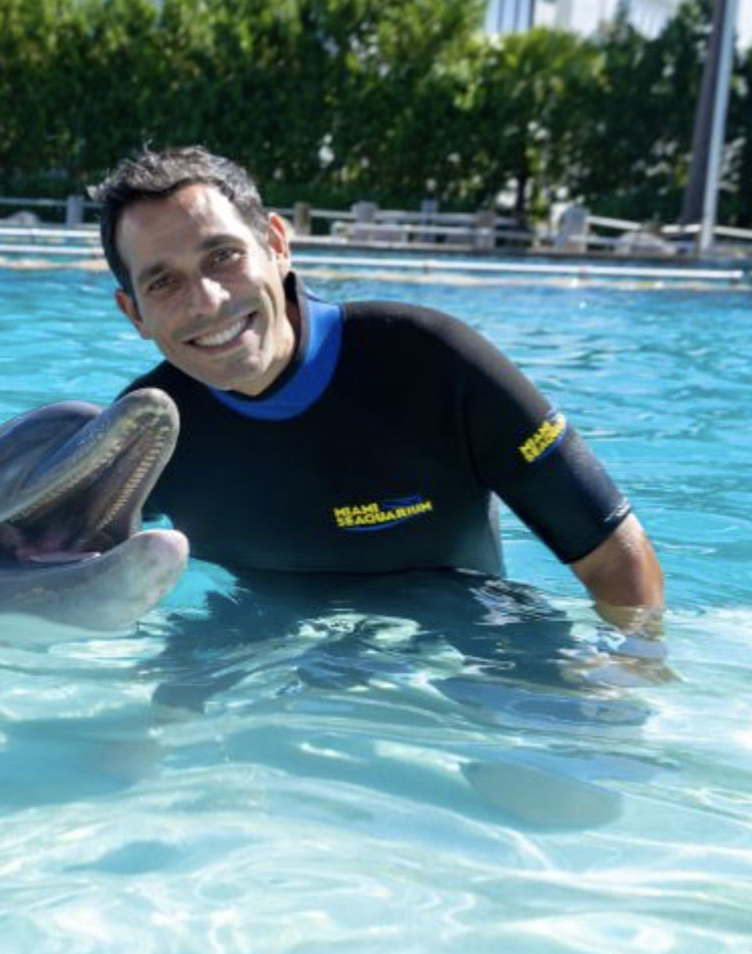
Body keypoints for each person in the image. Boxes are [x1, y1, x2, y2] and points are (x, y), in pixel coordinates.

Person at [90, 147, 665, 629]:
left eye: (223, 255)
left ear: (277, 245)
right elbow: (53, 567)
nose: (208, 301)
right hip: (251, 646)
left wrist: (632, 675)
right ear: (132, 312)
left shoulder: (432, 360)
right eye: (162, 282)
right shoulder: (146, 430)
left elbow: (614, 552)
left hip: (459, 639)